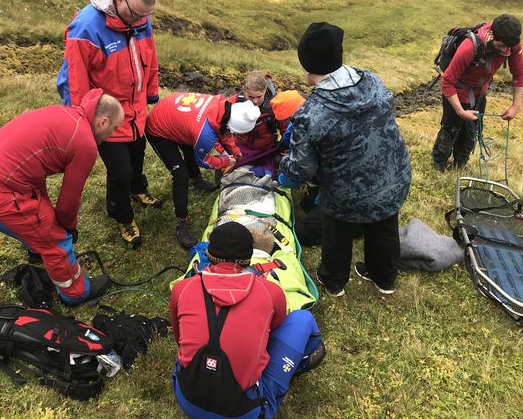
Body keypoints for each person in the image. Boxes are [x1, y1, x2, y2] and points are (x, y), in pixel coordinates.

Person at [278, 22, 411, 297]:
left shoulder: (311, 113)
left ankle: (334, 280)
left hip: (346, 195)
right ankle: (383, 278)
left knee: (337, 231)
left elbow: (301, 169)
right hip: (394, 177)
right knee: (384, 224)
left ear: (307, 65)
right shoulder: (372, 81)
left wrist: (283, 169)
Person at [0, 89, 123, 305]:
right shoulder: (85, 143)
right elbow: (69, 201)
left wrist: (49, 216)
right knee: (57, 241)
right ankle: (75, 293)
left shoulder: (64, 114)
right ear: (102, 122)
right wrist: (67, 228)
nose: (114, 133)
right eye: (115, 128)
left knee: (42, 221)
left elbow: (35, 174)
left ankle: (36, 248)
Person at [170, 221, 325, 419]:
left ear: (207, 255)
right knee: (302, 319)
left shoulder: (182, 289)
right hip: (245, 412)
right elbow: (274, 332)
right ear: (250, 258)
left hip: (188, 400)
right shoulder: (271, 292)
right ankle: (289, 371)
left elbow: (179, 338)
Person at [56, 0, 161, 248]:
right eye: (137, 15)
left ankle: (139, 189)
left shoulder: (138, 17)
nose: (141, 21)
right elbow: (75, 82)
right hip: (107, 116)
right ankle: (122, 215)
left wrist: (150, 93)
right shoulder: (85, 28)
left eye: (145, 17)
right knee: (120, 171)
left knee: (137, 156)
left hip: (136, 110)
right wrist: (84, 122)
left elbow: (149, 56)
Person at [146, 93, 260, 249]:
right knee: (181, 176)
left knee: (189, 147)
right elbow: (203, 160)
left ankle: (197, 181)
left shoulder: (223, 107)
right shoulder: (204, 134)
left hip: (179, 120)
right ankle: (182, 222)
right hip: (158, 128)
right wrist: (226, 161)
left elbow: (223, 131)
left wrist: (234, 149)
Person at [431, 14, 523, 172]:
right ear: (493, 35)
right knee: (450, 129)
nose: (505, 51)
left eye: (508, 47)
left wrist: (515, 105)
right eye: (501, 46)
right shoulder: (469, 47)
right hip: (456, 92)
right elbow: (447, 82)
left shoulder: (510, 44)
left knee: (471, 132)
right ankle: (439, 164)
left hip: (479, 93)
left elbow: (519, 74)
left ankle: (460, 164)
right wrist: (460, 111)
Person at [228, 71, 287, 174]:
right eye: (250, 97)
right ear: (244, 91)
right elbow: (220, 128)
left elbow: (285, 129)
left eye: (259, 97)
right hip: (241, 148)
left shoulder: (276, 104)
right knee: (229, 168)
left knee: (268, 174)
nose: (255, 101)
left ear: (265, 90)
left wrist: (287, 148)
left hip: (266, 150)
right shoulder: (233, 103)